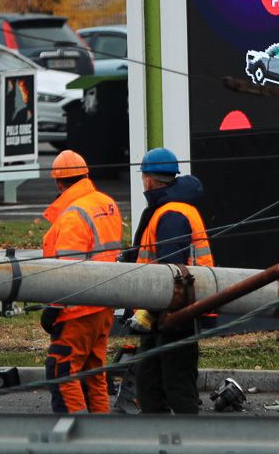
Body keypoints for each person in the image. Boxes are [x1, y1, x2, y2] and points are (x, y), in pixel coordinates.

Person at [124, 147, 211, 414]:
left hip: (173, 314)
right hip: (164, 313)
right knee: (150, 382)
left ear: (149, 179)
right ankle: (161, 443)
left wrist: (148, 312)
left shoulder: (171, 214)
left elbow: (171, 271)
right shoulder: (169, 209)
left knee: (176, 385)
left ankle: (187, 447)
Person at [39, 150, 124, 414]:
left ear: (59, 183)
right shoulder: (106, 203)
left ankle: (75, 437)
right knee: (93, 373)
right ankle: (99, 439)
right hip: (104, 306)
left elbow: (68, 270)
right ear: (86, 175)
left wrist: (54, 306)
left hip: (77, 310)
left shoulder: (73, 215)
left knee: (61, 368)